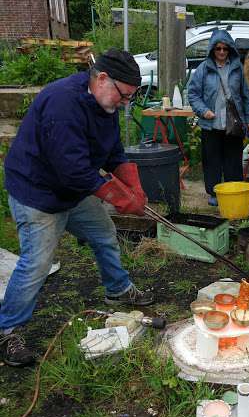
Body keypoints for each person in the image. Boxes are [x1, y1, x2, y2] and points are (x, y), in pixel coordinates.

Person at [0, 49, 154, 367]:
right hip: (38, 192)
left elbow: (113, 153)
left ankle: (118, 289)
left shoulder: (105, 105)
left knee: (104, 234)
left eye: (130, 97)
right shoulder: (62, 104)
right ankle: (6, 330)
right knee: (37, 263)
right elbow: (74, 171)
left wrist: (134, 186)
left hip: (74, 190)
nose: (125, 103)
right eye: (124, 95)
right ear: (102, 79)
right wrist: (121, 200)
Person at [188, 30, 249, 206]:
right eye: (218, 48)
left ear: (230, 49)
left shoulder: (238, 68)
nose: (222, 52)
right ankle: (214, 193)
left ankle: (234, 192)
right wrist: (203, 111)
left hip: (234, 124)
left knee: (233, 161)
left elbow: (246, 96)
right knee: (212, 161)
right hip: (211, 124)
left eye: (225, 48)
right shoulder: (203, 68)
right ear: (212, 49)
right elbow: (193, 94)